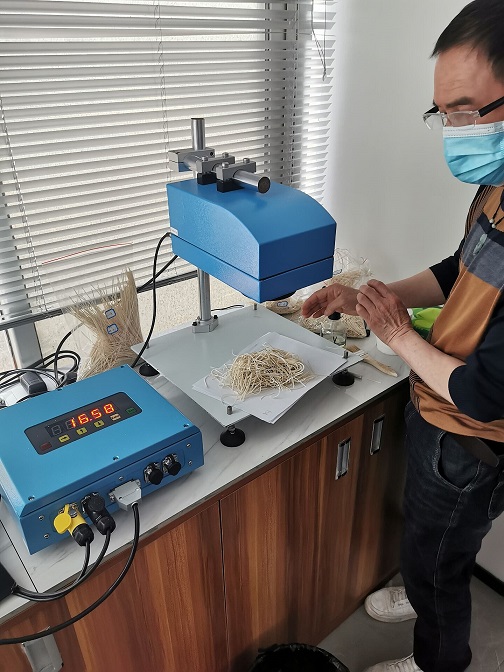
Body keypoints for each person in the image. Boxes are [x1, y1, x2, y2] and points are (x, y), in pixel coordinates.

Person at [301, 2, 504, 671]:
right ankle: (423, 585)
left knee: (437, 558)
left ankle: (435, 658)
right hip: (440, 408)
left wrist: (394, 333)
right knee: (431, 540)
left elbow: (483, 393)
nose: (454, 132)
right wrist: (368, 295)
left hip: (470, 438)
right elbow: (459, 270)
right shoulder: (497, 187)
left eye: (468, 112)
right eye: (442, 114)